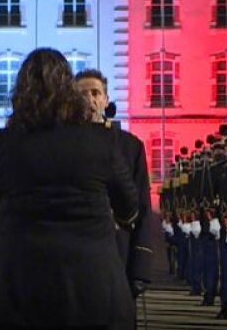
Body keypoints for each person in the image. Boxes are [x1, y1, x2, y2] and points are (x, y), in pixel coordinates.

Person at [0, 48, 138, 329]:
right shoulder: (102, 141)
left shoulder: (4, 143)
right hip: (93, 282)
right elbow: (129, 205)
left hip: (19, 284)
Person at [74, 69, 154, 302]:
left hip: (117, 249)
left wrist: (140, 268)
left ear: (105, 100)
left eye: (95, 93)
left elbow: (143, 208)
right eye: (82, 94)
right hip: (75, 251)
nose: (89, 100)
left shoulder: (129, 146)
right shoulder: (63, 143)